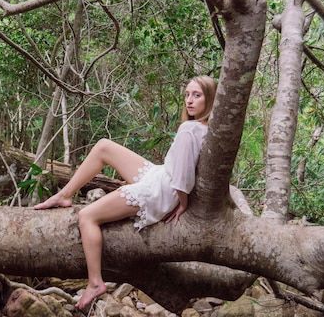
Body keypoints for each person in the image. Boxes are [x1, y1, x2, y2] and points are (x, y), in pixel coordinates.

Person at [34, 75, 217, 309]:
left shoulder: (188, 129)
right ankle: (65, 194)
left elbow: (183, 178)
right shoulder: (204, 128)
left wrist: (182, 203)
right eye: (187, 95)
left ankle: (95, 282)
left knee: (87, 216)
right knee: (103, 146)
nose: (189, 101)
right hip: (160, 176)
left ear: (209, 99)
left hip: (160, 191)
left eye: (197, 95)